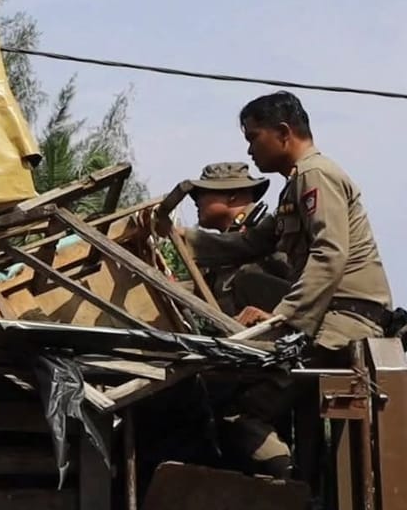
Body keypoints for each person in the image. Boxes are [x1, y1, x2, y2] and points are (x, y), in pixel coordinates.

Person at [154, 91, 394, 479]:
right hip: (322, 318)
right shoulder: (294, 186)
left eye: (253, 137)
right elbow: (248, 244)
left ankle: (291, 492)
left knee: (240, 407)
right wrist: (180, 237)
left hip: (344, 320)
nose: (249, 149)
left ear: (283, 133)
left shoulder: (317, 176)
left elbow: (329, 256)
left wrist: (281, 319)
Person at [183, 162, 291, 316]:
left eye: (203, 193)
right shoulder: (222, 247)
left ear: (232, 195)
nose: (196, 201)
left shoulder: (265, 232)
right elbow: (203, 289)